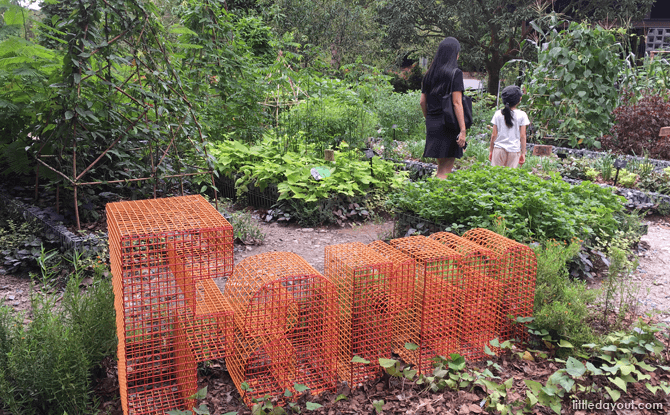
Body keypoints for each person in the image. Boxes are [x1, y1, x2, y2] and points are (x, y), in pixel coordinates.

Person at [420, 37, 467, 178]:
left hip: (433, 123)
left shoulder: (429, 74)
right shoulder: (455, 73)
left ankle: (433, 195)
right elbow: (456, 103)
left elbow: (422, 102)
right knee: (446, 169)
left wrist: (430, 119)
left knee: (440, 168)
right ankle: (440, 199)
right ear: (455, 54)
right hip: (449, 125)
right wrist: (463, 130)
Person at [489, 85, 530, 168]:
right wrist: (523, 153)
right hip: (514, 151)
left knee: (495, 176)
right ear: (519, 99)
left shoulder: (498, 114)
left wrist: (491, 150)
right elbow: (522, 136)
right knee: (510, 178)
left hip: (499, 150)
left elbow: (494, 135)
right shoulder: (522, 115)